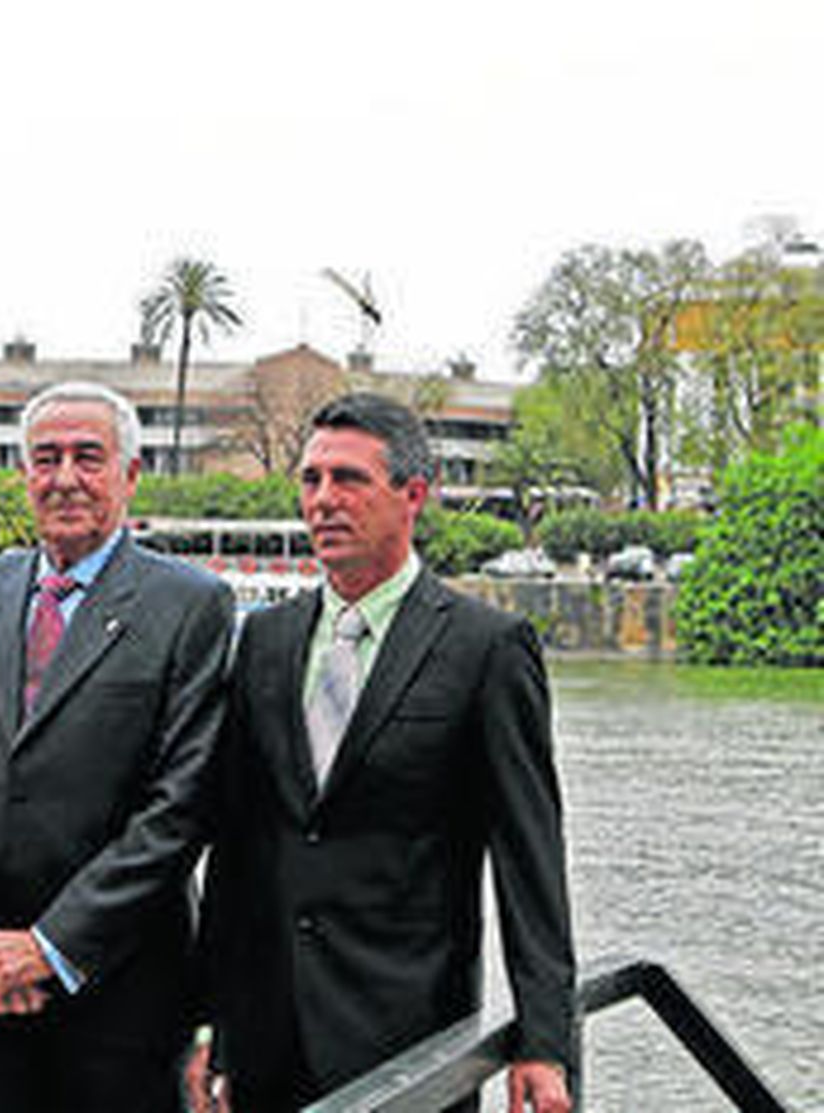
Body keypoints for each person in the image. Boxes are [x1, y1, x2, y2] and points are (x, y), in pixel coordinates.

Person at [189, 393, 575, 1113]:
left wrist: (545, 1042)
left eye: (349, 479)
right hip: (268, 1039)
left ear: (413, 495)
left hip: (411, 1048)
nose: (323, 500)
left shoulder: (486, 648)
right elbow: (239, 851)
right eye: (311, 480)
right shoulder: (265, 642)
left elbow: (530, 863)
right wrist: (213, 1021)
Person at [0, 381, 234, 1113]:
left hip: (123, 1004)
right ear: (24, 473)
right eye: (45, 458)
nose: (64, 478)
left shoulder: (191, 606)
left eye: (88, 457)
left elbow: (180, 807)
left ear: (131, 474)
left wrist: (51, 944)